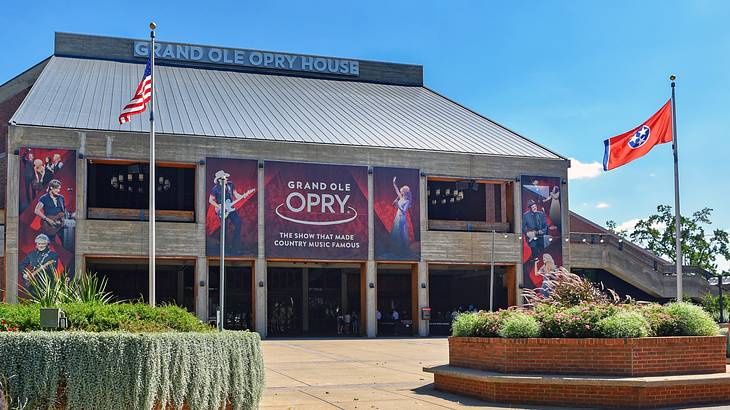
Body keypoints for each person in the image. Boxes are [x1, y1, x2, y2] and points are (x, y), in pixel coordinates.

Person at [208, 170, 253, 251]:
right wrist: (219, 206)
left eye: (226, 177)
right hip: (222, 210)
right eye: (224, 177)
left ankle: (235, 246)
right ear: (219, 179)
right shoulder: (215, 189)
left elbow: (236, 195)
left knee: (238, 223)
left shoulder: (230, 185)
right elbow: (210, 200)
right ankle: (223, 248)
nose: (226, 179)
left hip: (231, 208)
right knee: (224, 228)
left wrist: (244, 196)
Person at [35, 179, 67, 247]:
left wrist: (63, 219)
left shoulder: (61, 198)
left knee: (64, 245)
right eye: (57, 189)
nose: (58, 191)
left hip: (59, 225)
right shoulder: (44, 198)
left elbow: (63, 211)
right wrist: (48, 219)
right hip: (49, 225)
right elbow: (36, 210)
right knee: (49, 244)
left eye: (59, 189)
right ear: (51, 188)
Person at [390, 176, 413, 253]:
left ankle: (402, 248)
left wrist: (398, 205)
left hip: (402, 217)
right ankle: (396, 247)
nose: (401, 192)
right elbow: (396, 190)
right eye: (401, 191)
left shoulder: (407, 201)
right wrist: (394, 183)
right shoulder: (401, 197)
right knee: (396, 230)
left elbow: (404, 211)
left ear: (405, 192)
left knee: (401, 231)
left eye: (402, 191)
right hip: (398, 216)